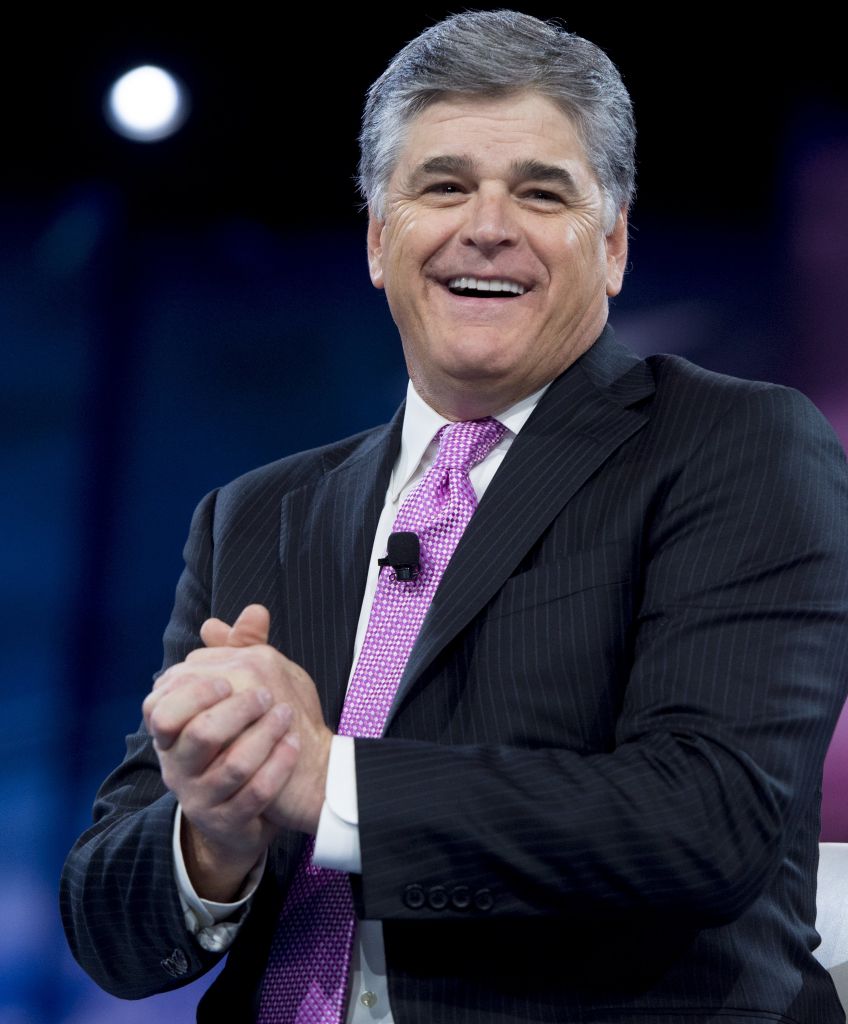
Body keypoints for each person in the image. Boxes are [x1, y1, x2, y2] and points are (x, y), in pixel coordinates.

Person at [61, 10, 848, 1024]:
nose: (486, 224)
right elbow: (109, 930)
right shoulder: (254, 516)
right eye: (442, 185)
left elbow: (709, 818)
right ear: (379, 240)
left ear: (610, 246)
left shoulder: (729, 446)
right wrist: (215, 828)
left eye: (539, 191)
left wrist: (329, 784)